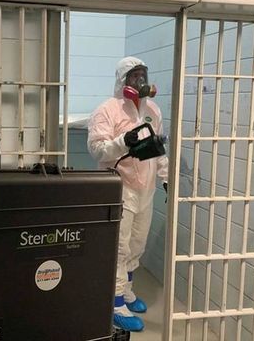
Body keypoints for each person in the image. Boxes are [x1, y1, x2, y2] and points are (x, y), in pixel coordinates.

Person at [88, 56, 169, 332]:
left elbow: (159, 150)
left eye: (143, 76)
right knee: (120, 247)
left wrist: (166, 178)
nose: (141, 82)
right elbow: (97, 149)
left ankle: (128, 290)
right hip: (119, 187)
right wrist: (124, 142)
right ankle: (115, 302)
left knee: (137, 244)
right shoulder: (107, 110)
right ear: (123, 80)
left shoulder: (153, 111)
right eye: (135, 77)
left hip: (146, 189)